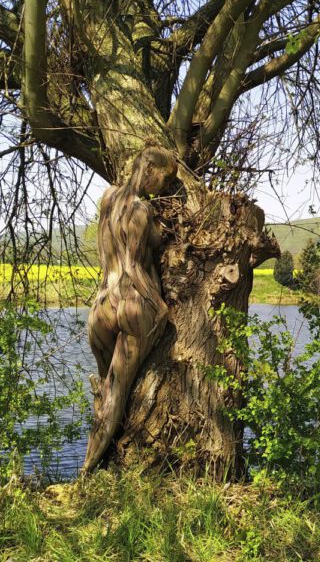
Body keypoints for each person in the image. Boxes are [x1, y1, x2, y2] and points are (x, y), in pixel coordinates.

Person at [83, 145, 177, 473]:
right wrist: (161, 307)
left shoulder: (108, 198)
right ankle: (85, 472)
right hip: (133, 304)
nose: (164, 188)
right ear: (150, 169)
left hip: (101, 306)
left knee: (103, 388)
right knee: (117, 392)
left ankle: (93, 463)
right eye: (165, 180)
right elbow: (134, 267)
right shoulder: (140, 210)